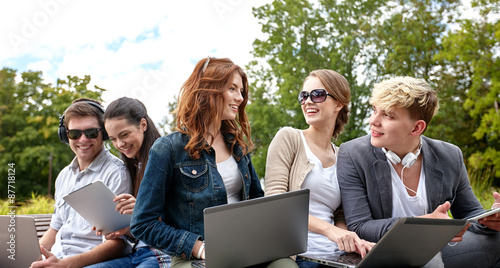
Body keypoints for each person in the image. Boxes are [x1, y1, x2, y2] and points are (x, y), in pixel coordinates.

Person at [130, 57, 298, 268]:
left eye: (242, 91)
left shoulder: (237, 145)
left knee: (286, 265)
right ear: (208, 90)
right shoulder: (168, 149)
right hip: (194, 257)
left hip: (247, 247)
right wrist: (198, 247)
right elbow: (143, 223)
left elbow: (256, 198)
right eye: (233, 89)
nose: (240, 98)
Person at [337, 76, 500, 267]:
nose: (373, 121)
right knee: (430, 260)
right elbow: (360, 226)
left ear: (417, 127)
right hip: (379, 251)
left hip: (435, 249)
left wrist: (489, 219)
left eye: (387, 115)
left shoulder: (450, 155)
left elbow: (469, 211)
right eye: (375, 110)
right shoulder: (353, 153)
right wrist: (424, 225)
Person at [265, 70, 374, 268]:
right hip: (297, 257)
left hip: (336, 258)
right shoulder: (289, 138)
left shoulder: (344, 155)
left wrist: (349, 240)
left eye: (317, 95)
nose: (307, 101)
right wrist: (330, 231)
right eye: (304, 96)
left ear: (339, 104)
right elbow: (275, 205)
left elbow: (341, 215)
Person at [31, 98, 132, 268]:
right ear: (65, 135)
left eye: (91, 132)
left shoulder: (116, 173)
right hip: (58, 259)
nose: (83, 140)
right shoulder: (63, 176)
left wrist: (64, 264)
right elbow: (55, 229)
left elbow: (117, 243)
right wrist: (33, 256)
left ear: (104, 133)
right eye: (75, 134)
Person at [86, 97, 171, 267]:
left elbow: (181, 222)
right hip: (138, 253)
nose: (120, 144)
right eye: (113, 139)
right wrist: (121, 229)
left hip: (163, 253)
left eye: (124, 135)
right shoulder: (133, 166)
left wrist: (140, 210)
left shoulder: (167, 159)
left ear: (143, 125)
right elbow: (141, 230)